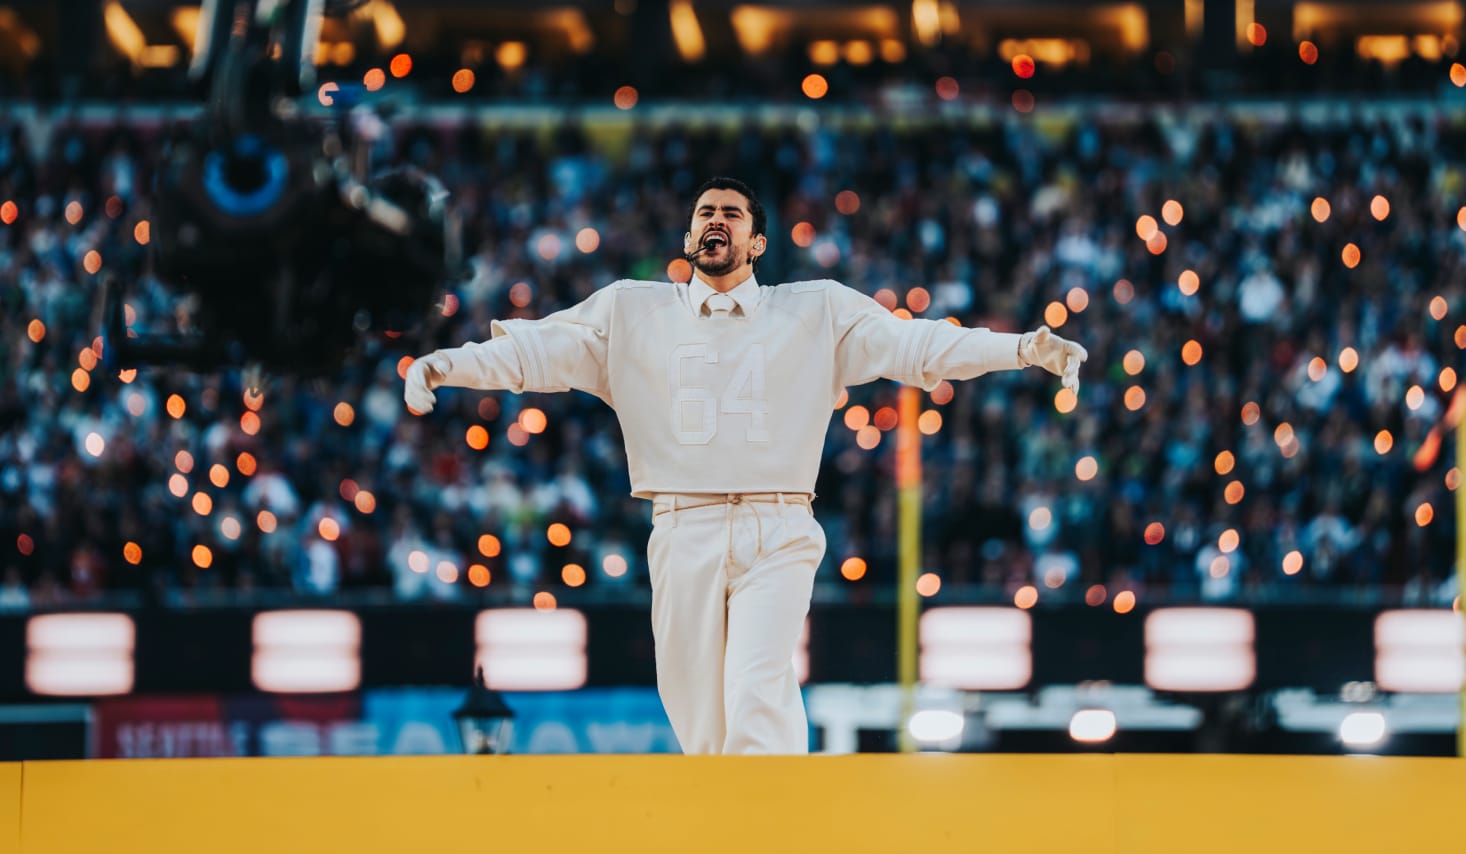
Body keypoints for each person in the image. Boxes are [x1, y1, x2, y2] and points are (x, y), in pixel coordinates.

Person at [404, 176, 1087, 754]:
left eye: (732, 214)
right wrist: (446, 365)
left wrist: (1021, 348)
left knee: (756, 694)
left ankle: (773, 833)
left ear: (757, 242)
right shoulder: (630, 310)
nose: (716, 220)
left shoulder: (816, 309)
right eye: (706, 211)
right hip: (681, 528)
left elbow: (918, 347)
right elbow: (536, 353)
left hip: (778, 526)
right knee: (700, 724)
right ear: (688, 236)